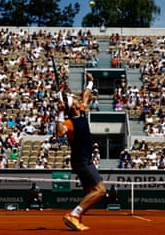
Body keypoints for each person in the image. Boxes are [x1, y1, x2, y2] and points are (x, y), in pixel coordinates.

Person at [56, 72, 106, 231]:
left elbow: (86, 96)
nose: (79, 100)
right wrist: (60, 112)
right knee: (100, 190)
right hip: (82, 161)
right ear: (74, 107)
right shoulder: (69, 123)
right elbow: (59, 133)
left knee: (92, 191)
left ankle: (77, 217)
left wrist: (90, 83)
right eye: (75, 101)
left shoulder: (82, 111)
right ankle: (74, 215)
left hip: (83, 159)